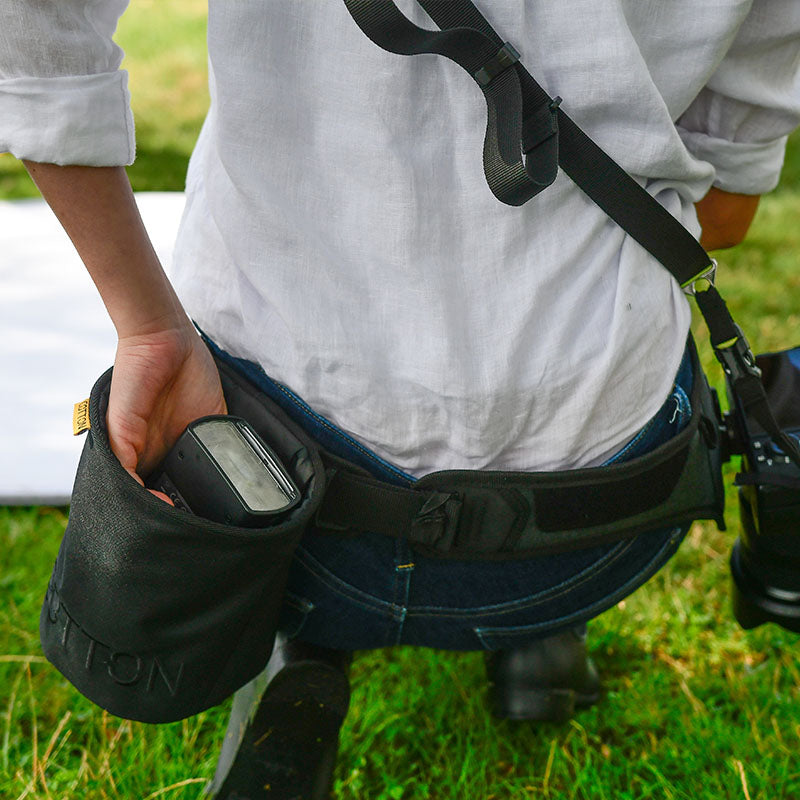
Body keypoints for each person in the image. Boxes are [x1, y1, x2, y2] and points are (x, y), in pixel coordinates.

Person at [2, 1, 799, 798]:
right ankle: (541, 644)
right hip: (595, 524)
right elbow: (725, 213)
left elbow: (31, 29)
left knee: (294, 486)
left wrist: (149, 329)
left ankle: (306, 658)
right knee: (601, 361)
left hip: (282, 516)